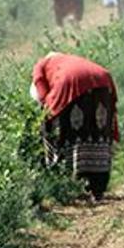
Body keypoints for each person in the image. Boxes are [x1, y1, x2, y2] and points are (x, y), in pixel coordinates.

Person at [31, 52, 119, 199]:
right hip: (104, 81)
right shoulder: (64, 61)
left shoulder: (40, 67)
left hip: (72, 83)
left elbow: (42, 99)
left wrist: (46, 124)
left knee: (67, 130)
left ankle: (69, 179)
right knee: (99, 128)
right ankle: (98, 185)